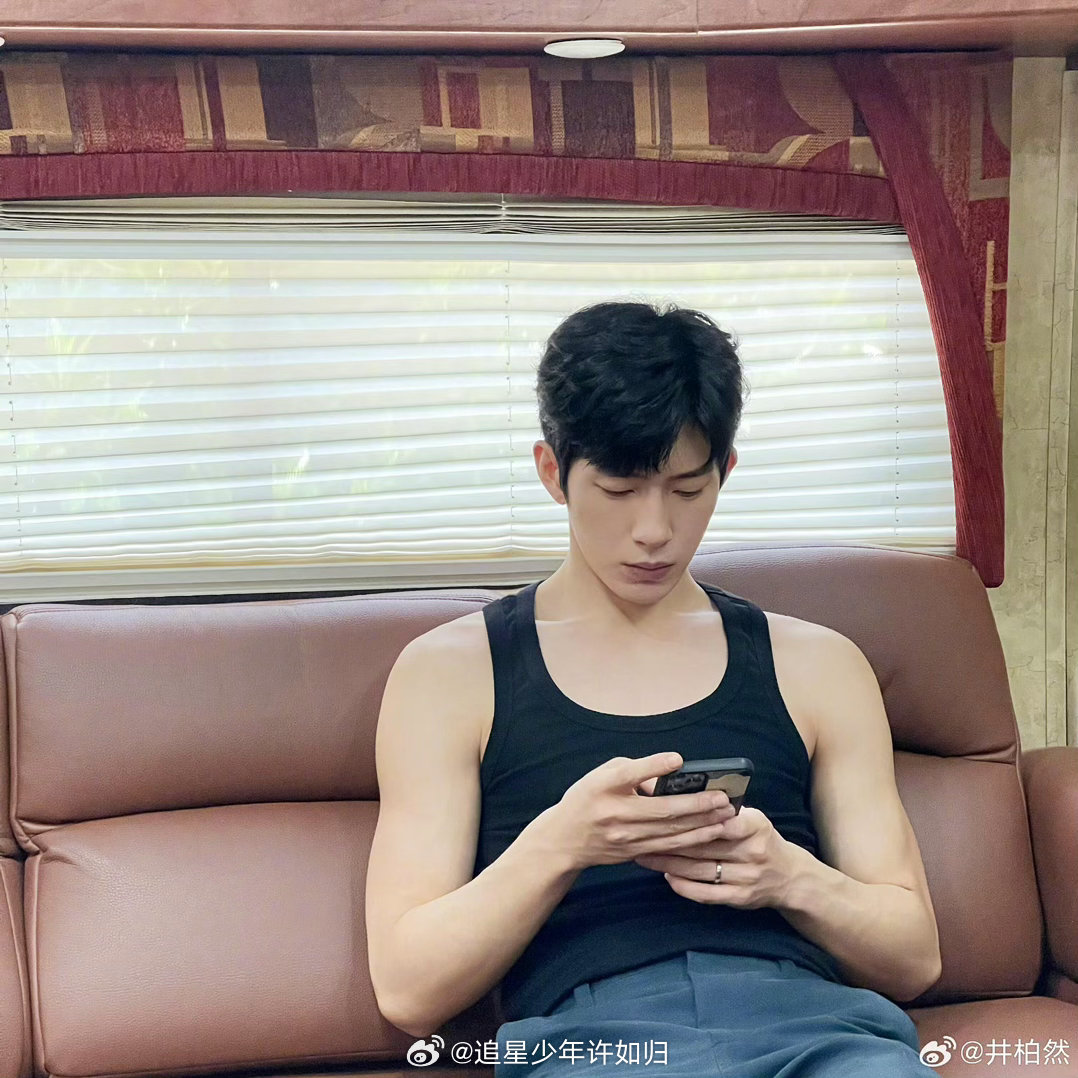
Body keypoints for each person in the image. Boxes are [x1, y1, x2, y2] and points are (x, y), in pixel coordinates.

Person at [365, 301, 943, 1076]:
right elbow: (407, 990)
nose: (654, 530)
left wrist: (790, 877)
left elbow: (914, 959)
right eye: (619, 489)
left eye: (687, 489)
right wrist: (564, 844)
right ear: (552, 472)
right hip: (599, 1044)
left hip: (818, 1028)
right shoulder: (450, 672)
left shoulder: (817, 664)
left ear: (724, 471)